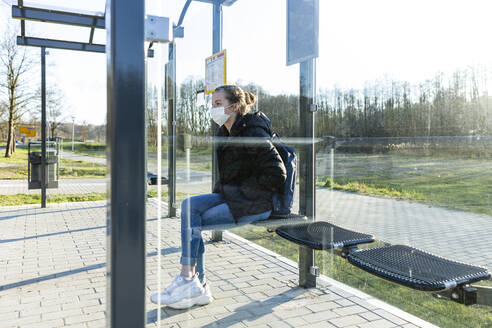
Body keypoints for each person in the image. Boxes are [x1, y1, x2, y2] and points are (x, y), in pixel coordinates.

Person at [151, 84, 286, 309]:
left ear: (233, 106)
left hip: (256, 202)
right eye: (212, 104)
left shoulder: (253, 131)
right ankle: (195, 284)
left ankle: (192, 282)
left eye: (217, 104)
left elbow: (277, 173)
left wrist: (241, 193)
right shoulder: (224, 131)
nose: (212, 108)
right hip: (232, 197)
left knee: (194, 222)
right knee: (189, 206)